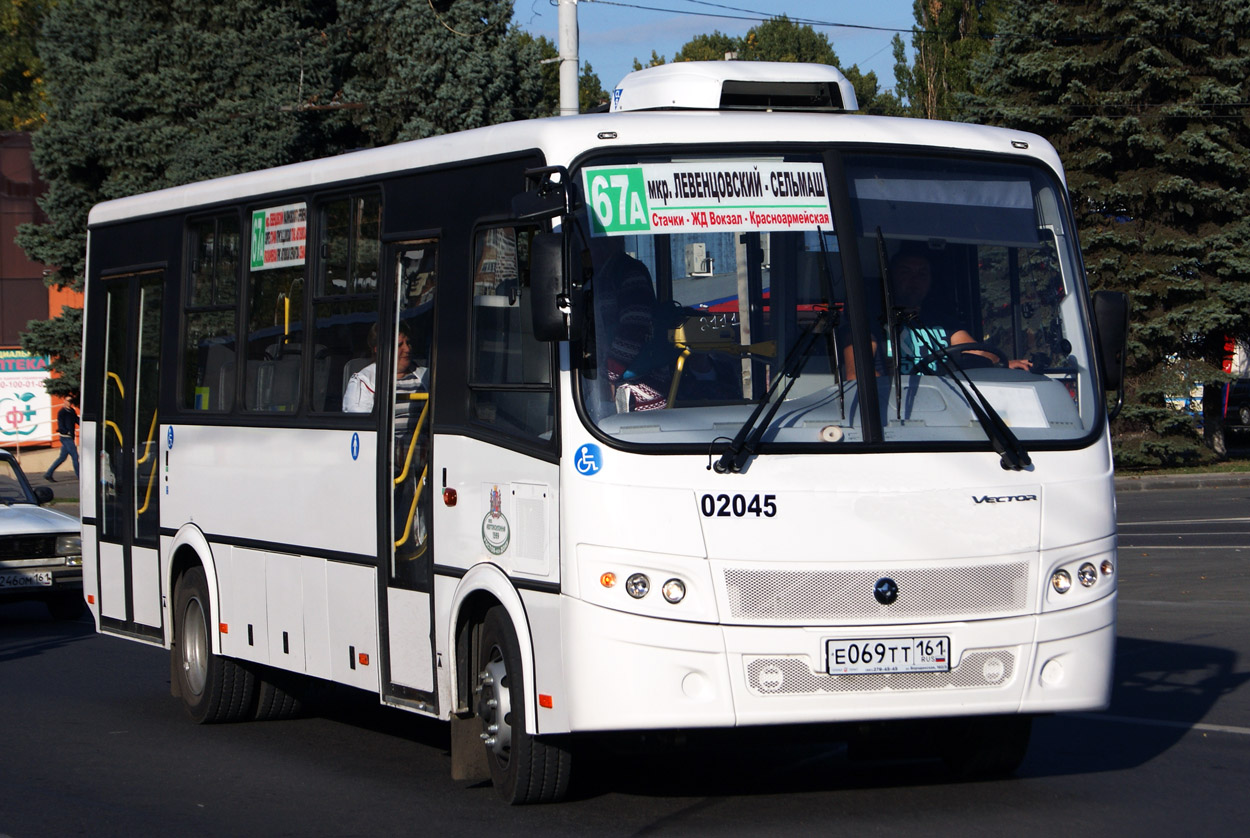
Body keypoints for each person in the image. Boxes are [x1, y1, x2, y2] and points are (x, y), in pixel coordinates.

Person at [845, 249, 1032, 379]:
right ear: (890, 277)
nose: (914, 279)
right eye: (906, 272)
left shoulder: (944, 324)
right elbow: (858, 376)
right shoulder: (867, 324)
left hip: (945, 403)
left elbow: (979, 353)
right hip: (897, 407)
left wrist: (1003, 364)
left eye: (922, 273)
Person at [43, 394, 79, 481]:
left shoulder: (72, 411)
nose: (69, 403)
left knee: (62, 457)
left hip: (70, 437)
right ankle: (80, 477)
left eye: (71, 401)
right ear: (64, 401)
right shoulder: (62, 412)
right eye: (68, 401)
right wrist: (65, 431)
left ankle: (48, 474)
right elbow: (60, 425)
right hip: (65, 437)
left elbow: (77, 420)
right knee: (75, 456)